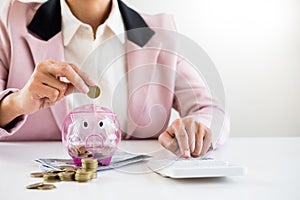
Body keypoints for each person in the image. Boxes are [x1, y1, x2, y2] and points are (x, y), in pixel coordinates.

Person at [0, 0, 229, 158]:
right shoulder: (11, 20)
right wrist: (18, 102)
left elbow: (210, 109)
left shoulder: (159, 31)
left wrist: (196, 129)